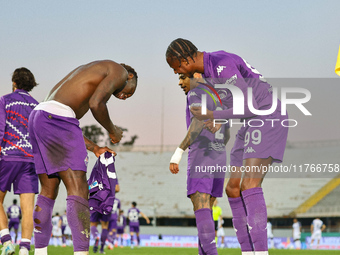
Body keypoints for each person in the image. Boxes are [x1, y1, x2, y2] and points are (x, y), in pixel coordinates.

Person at [166, 38, 289, 255]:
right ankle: (248, 251)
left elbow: (249, 104)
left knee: (249, 184)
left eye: (175, 67)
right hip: (252, 120)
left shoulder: (221, 63)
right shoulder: (210, 71)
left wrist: (214, 115)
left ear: (184, 60)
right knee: (233, 189)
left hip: (268, 115)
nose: (176, 72)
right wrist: (220, 118)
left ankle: (260, 253)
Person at [28, 60, 137, 255]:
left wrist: (94, 147)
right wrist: (113, 131)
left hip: (39, 116)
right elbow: (96, 104)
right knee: (78, 188)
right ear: (130, 77)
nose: (125, 96)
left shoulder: (90, 72)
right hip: (57, 118)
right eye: (130, 91)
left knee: (48, 189)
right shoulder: (119, 71)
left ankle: (40, 252)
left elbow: (66, 121)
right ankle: (80, 252)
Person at [168, 73, 230, 255]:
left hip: (202, 154)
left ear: (195, 76)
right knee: (207, 212)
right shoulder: (218, 97)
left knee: (201, 206)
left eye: (182, 77)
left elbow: (198, 120)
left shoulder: (196, 93)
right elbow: (227, 134)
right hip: (219, 155)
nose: (180, 83)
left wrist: (178, 151)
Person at [0, 67, 39, 255]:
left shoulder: (5, 100)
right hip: (30, 160)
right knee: (28, 208)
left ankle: (6, 241)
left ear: (14, 83)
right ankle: (24, 249)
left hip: (8, 156)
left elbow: (0, 129)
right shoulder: (37, 106)